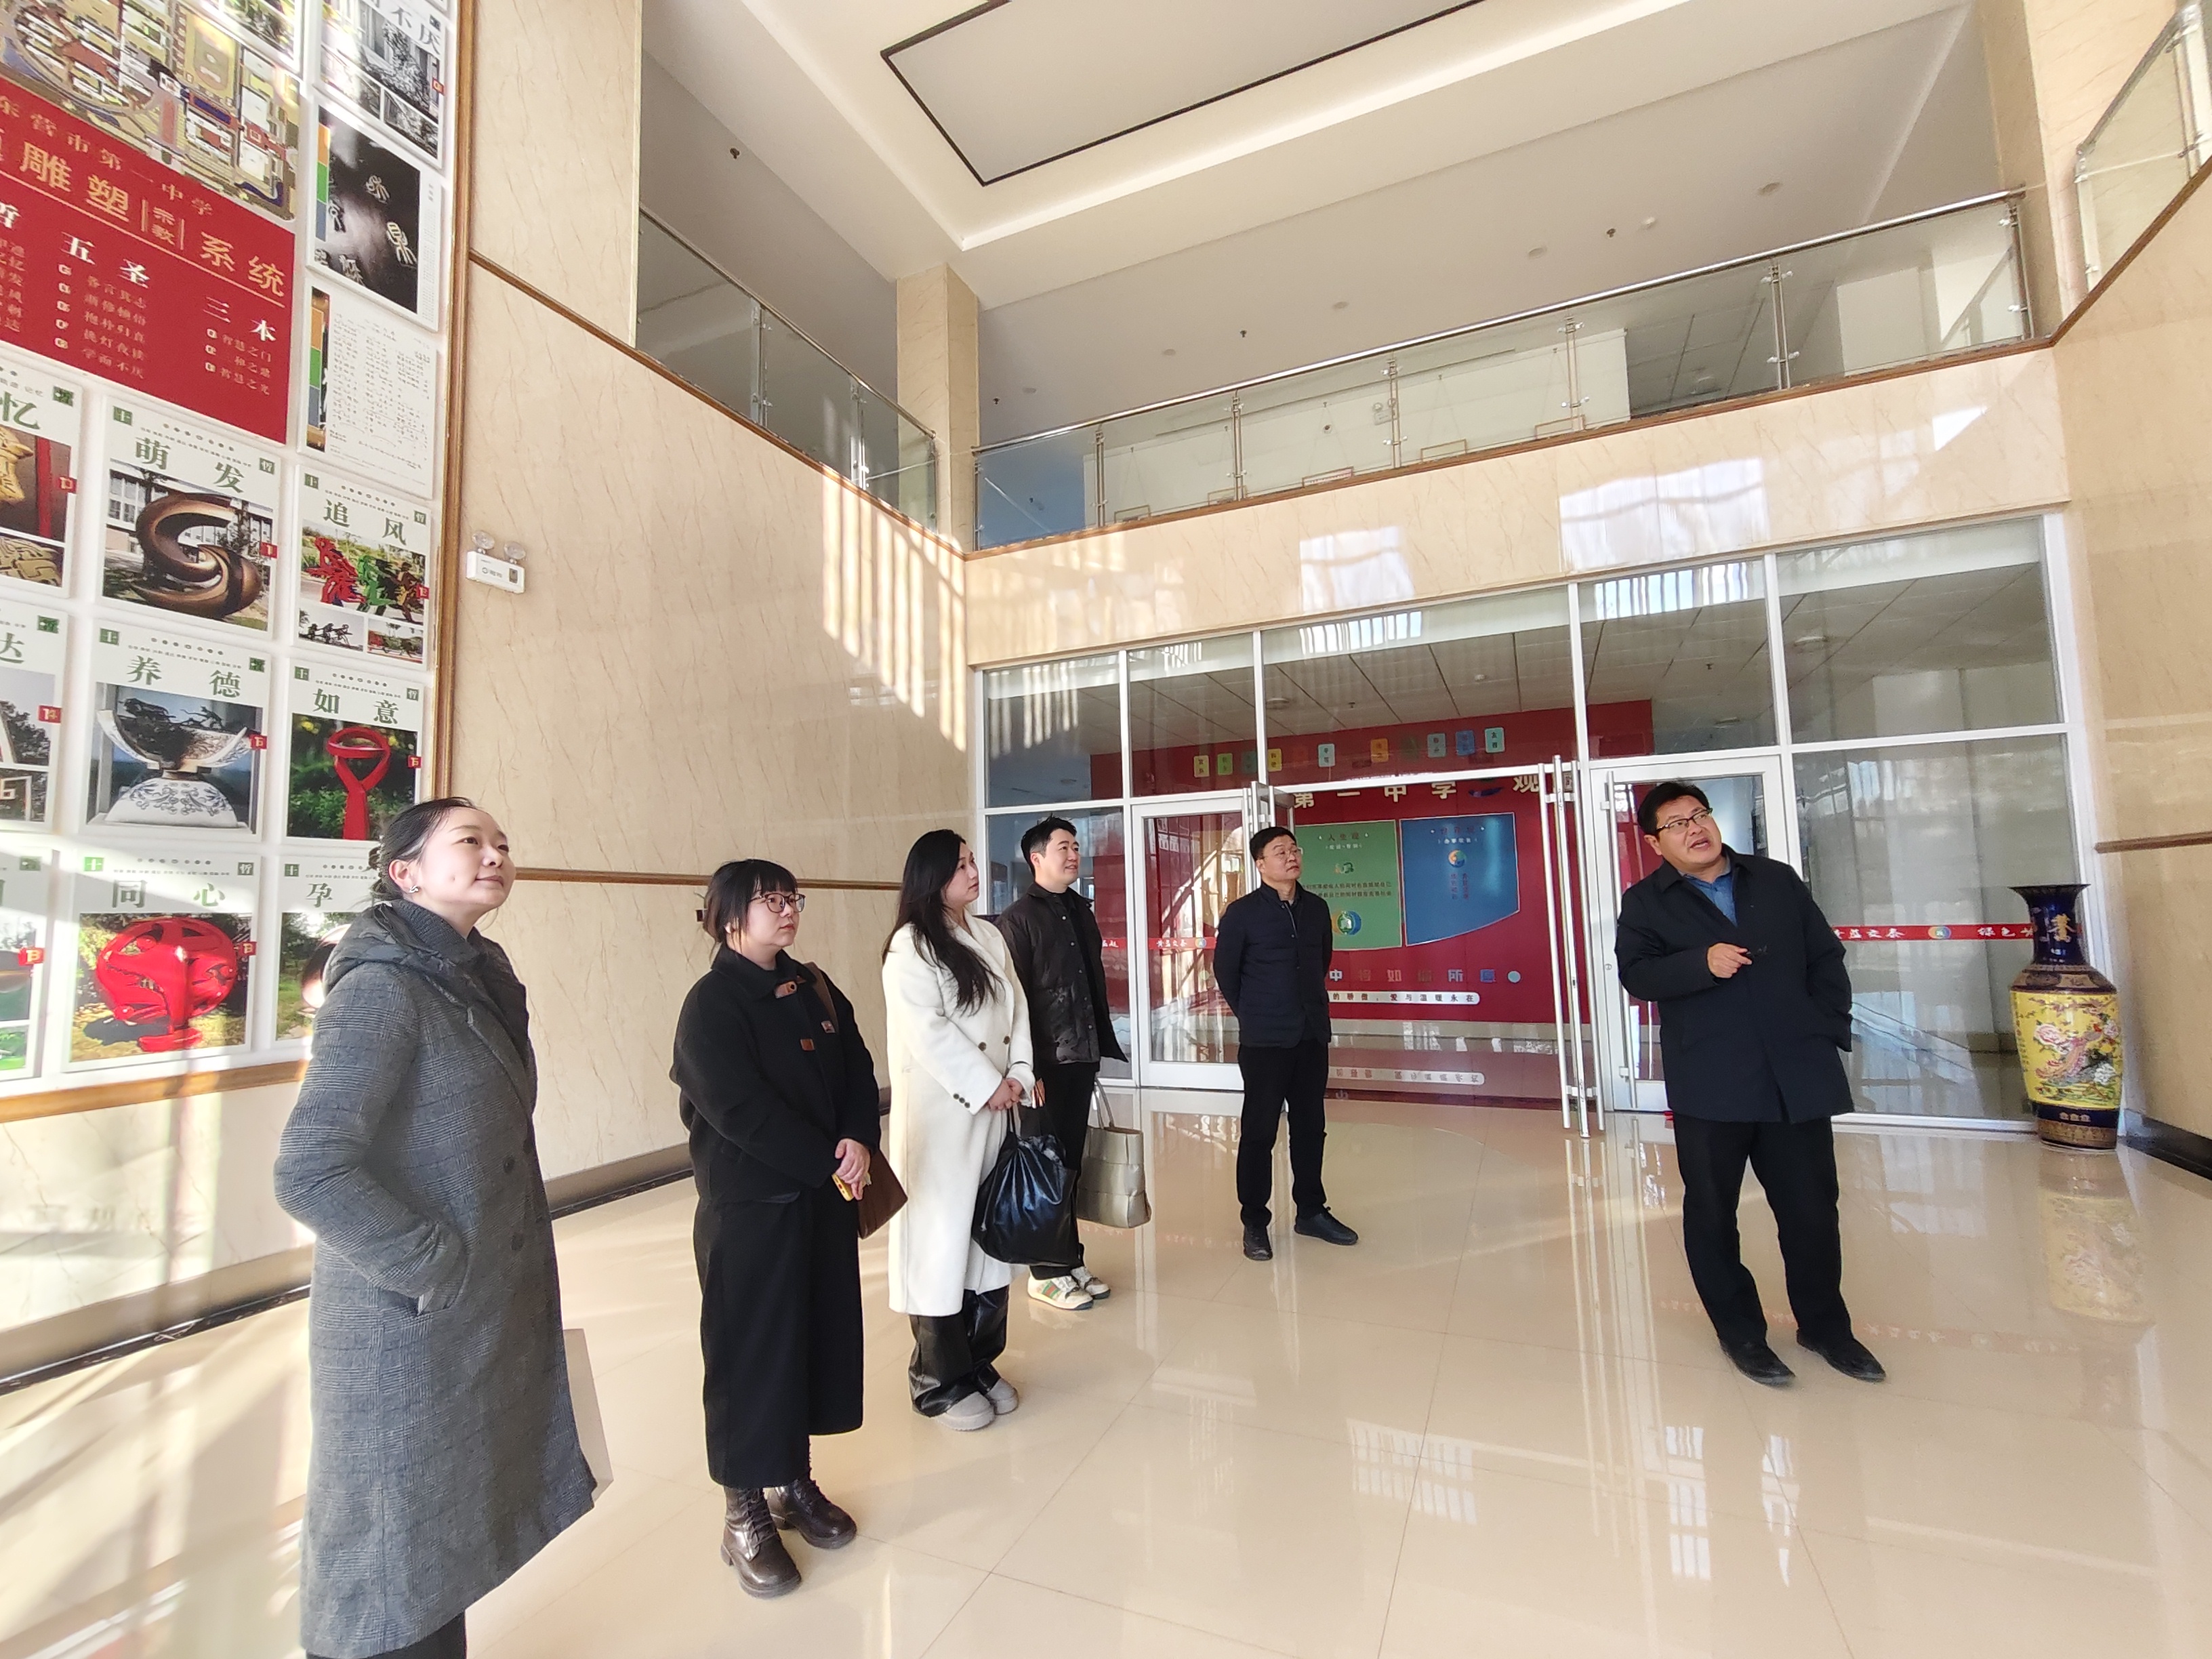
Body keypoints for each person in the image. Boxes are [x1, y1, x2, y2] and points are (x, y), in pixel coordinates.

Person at [273, 798, 594, 1659]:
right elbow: (309, 1168)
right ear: (405, 873)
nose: (496, 854)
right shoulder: (383, 988)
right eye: (470, 841)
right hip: (404, 1317)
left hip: (461, 1309)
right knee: (387, 1555)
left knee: (435, 1539)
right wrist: (434, 1264)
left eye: (503, 842)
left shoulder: (471, 972)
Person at [1614, 781, 1885, 1388]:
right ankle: (1741, 1334)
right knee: (1713, 1214)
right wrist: (1700, 963)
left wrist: (1823, 1026)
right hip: (1712, 1082)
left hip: (1795, 1075)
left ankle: (1825, 1328)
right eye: (1677, 824)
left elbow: (1825, 956)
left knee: (1812, 1211)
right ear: (1655, 843)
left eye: (1699, 815)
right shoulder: (1646, 903)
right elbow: (1638, 975)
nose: (1694, 829)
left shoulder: (1775, 880)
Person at [671, 859, 880, 1599]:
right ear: (729, 916)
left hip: (821, 1197)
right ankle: (744, 1514)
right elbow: (737, 1109)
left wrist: (858, 1137)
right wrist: (825, 1158)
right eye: (770, 900)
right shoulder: (712, 1004)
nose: (787, 910)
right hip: (752, 1211)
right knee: (751, 1356)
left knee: (810, 1341)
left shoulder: (814, 985)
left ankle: (793, 1482)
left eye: (793, 898)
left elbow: (857, 1068)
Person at [881, 830, 1035, 1430]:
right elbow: (929, 1032)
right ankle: (938, 1380)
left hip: (996, 1111)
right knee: (941, 1247)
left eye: (973, 862)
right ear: (932, 877)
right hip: (945, 1121)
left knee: (989, 1242)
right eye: (962, 865)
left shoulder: (988, 934)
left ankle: (979, 1361)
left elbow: (1017, 1009)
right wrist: (987, 1084)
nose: (975, 872)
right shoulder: (910, 947)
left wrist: (1019, 1074)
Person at [992, 815, 1124, 1311]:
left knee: (1069, 1163)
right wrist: (1028, 1070)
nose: (1074, 855)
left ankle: (1070, 1258)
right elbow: (1015, 1001)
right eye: (1063, 847)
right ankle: (1044, 1272)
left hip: (1079, 1057)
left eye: (1076, 846)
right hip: (1043, 1066)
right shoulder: (1019, 919)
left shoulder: (1078, 911)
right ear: (1037, 858)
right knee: (1045, 1165)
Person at [1214, 825, 1357, 1262]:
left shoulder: (1317, 908)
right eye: (1280, 852)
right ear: (1260, 864)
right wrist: (1255, 1014)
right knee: (1259, 1132)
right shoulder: (1241, 914)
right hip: (1265, 1041)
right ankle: (1254, 1221)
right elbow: (1226, 973)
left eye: (1294, 850)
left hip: (1310, 1034)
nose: (1292, 857)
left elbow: (1321, 962)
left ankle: (1311, 1211)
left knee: (1310, 1126)